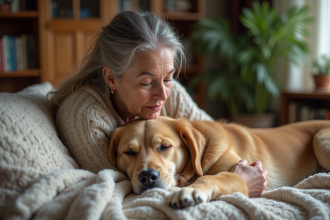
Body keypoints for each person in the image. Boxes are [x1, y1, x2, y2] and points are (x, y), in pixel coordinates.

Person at [48, 11, 267, 197]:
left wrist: (236, 174)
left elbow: (212, 145)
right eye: (146, 82)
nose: (162, 94)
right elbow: (120, 188)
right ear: (112, 78)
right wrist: (233, 186)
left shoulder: (171, 94)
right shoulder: (85, 116)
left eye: (168, 78)